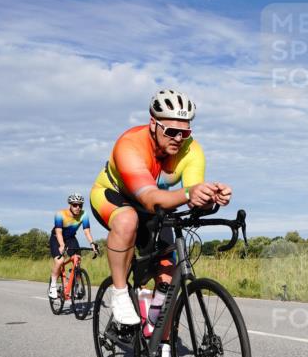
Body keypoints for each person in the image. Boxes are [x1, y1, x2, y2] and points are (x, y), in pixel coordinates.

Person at [90, 89, 232, 327]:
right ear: (153, 124)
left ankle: (157, 335)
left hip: (155, 205)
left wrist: (210, 198)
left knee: (167, 278)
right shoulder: (129, 144)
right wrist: (188, 193)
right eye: (172, 131)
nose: (179, 138)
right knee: (127, 220)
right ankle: (120, 293)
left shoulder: (192, 150)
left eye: (185, 132)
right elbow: (150, 198)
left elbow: (192, 195)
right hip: (114, 195)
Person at [48, 193, 99, 298]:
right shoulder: (60, 214)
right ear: (70, 205)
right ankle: (52, 286)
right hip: (56, 238)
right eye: (75, 205)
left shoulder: (84, 215)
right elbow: (58, 232)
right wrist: (62, 245)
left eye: (80, 205)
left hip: (70, 238)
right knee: (60, 261)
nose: (78, 207)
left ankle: (75, 285)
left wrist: (92, 243)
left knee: (77, 259)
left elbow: (87, 231)